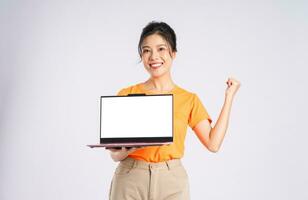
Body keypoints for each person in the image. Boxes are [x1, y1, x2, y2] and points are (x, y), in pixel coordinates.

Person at [107, 21, 241, 200]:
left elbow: (213, 143)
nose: (154, 56)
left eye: (161, 49)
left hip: (171, 180)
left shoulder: (188, 99)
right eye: (146, 50)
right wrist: (130, 149)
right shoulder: (126, 94)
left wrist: (229, 97)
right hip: (130, 177)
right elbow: (115, 155)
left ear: (173, 53)